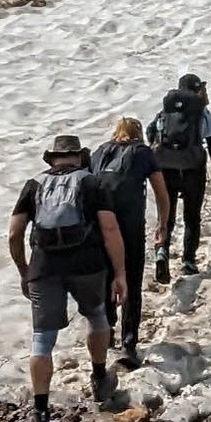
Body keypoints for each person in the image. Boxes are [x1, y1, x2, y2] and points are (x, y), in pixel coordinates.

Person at [8, 130, 130, 422]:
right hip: (87, 266)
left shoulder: (34, 184)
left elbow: (14, 233)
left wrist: (24, 270)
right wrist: (120, 273)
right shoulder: (91, 182)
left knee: (42, 341)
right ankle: (100, 379)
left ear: (52, 158)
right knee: (97, 316)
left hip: (44, 268)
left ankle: (42, 415)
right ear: (79, 156)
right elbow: (110, 228)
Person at [89, 115, 160, 361]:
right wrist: (163, 223)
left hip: (99, 229)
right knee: (131, 280)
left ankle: (107, 330)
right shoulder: (143, 152)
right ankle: (129, 341)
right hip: (130, 228)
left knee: (106, 278)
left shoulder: (98, 153)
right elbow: (160, 190)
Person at [147, 74, 211, 281]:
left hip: (166, 170)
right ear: (198, 90)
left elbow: (150, 135)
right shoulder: (203, 113)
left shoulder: (164, 113)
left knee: (166, 216)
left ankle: (162, 252)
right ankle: (188, 262)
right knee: (192, 218)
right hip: (193, 170)